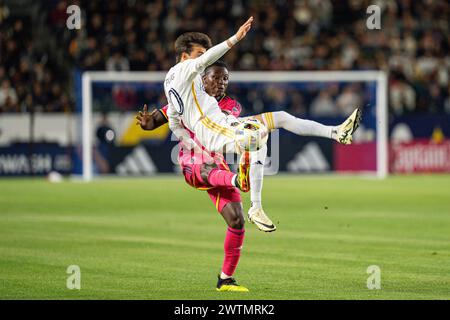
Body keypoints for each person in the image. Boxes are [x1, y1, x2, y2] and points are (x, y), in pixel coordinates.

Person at [136, 60, 361, 291]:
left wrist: (255, 130)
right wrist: (147, 122)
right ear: (202, 80)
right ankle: (243, 186)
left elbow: (221, 127)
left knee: (236, 219)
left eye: (225, 79)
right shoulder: (185, 97)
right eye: (216, 78)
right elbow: (158, 119)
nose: (221, 83)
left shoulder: (230, 105)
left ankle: (225, 279)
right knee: (211, 165)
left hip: (217, 152)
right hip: (192, 159)